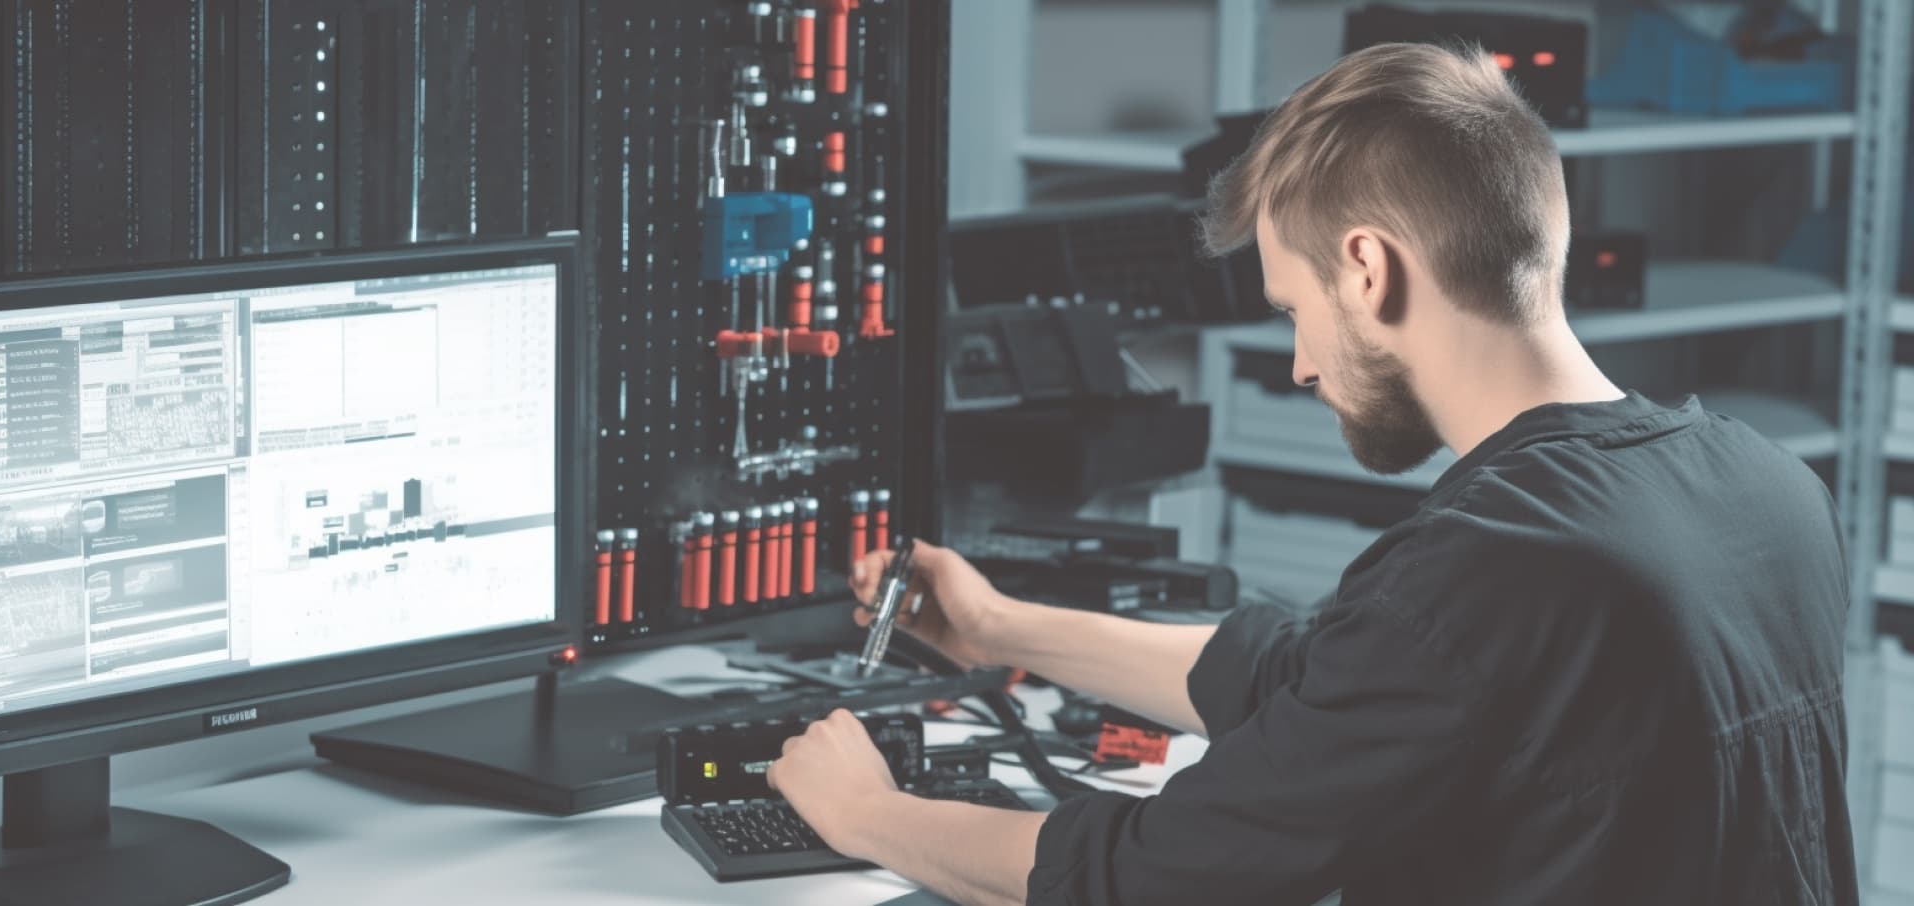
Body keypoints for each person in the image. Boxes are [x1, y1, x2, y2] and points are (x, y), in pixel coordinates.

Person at [765, 41, 1855, 906]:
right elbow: (1328, 680)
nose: (1299, 364)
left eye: (1294, 309)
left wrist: (867, 814)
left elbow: (1152, 877)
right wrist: (1003, 627)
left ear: (1370, 268)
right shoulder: (1769, 489)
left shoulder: (1493, 565)